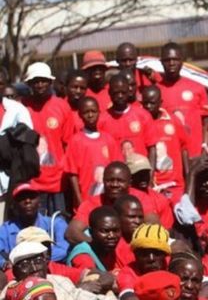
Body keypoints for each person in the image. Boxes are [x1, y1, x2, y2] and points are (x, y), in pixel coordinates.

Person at [22, 62, 74, 212]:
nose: (39, 84)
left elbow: (69, 144)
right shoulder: (22, 108)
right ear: (29, 84)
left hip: (58, 180)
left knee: (58, 223)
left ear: (50, 82)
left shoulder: (62, 106)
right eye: (35, 81)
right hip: (32, 180)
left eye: (43, 80)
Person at [65, 161, 159, 244]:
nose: (114, 185)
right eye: (110, 181)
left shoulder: (140, 198)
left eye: (120, 181)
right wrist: (99, 245)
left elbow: (153, 224)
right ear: (103, 181)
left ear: (129, 183)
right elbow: (72, 232)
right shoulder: (92, 203)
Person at [1, 241, 116, 299]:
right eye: (26, 264)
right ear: (15, 271)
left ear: (46, 263)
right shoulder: (12, 289)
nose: (34, 268)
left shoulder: (59, 280)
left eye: (38, 261)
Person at [63, 96, 120, 205]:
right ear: (80, 115)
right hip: (86, 198)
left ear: (99, 112)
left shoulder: (108, 139)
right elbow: (72, 174)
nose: (90, 115)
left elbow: (117, 167)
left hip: (108, 199)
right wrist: (79, 200)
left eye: (93, 111)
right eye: (86, 112)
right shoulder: (75, 141)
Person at [157, 42, 208, 157]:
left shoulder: (197, 87)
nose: (171, 63)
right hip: (170, 158)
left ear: (182, 61)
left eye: (175, 59)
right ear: (161, 62)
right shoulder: (155, 91)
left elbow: (206, 123)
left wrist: (205, 146)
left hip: (195, 154)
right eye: (167, 60)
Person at [0, 183, 69, 268]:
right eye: (22, 198)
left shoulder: (55, 223)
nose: (28, 201)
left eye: (31, 197)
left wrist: (30, 259)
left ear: (39, 202)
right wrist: (4, 263)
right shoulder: (5, 229)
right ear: (15, 205)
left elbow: (64, 249)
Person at [142, 85, 189, 203]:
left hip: (174, 185)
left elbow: (184, 148)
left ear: (160, 102)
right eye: (145, 103)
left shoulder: (173, 121)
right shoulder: (140, 122)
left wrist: (187, 176)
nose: (148, 107)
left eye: (152, 103)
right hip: (152, 185)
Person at [0, 67, 32, 222]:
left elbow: (30, 139)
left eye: (0, 83)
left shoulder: (17, 109)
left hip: (11, 180)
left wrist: (7, 141)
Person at [99, 74, 154, 159]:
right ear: (109, 93)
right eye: (116, 93)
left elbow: (152, 148)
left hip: (141, 170)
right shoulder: (101, 120)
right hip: (115, 170)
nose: (120, 96)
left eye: (123, 92)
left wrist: (151, 171)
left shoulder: (143, 115)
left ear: (128, 91)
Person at [117, 223, 171, 299]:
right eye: (144, 253)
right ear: (135, 255)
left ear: (165, 254)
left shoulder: (174, 265)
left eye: (156, 252)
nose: (151, 258)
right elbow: (128, 295)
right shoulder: (128, 272)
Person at [126, 155, 174, 229]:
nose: (143, 178)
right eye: (139, 174)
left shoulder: (160, 199)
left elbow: (167, 229)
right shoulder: (123, 196)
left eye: (146, 173)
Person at [67, 206, 121, 271]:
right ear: (90, 231)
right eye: (105, 231)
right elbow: (90, 279)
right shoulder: (83, 257)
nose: (112, 236)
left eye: (116, 230)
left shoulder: (112, 249)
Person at [113, 194, 145, 269]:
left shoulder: (147, 243)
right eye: (132, 217)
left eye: (140, 217)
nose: (137, 221)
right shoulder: (111, 246)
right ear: (117, 217)